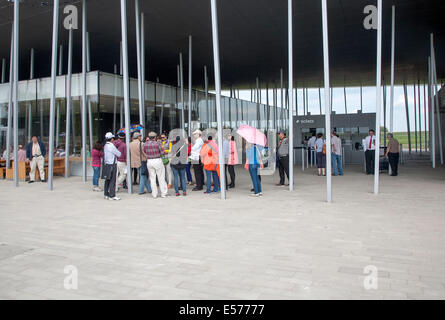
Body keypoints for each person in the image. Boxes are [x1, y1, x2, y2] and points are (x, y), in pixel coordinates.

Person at [145, 131, 168, 199]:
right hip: (157, 160)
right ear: (155, 137)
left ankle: (154, 194)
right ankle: (163, 193)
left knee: (152, 178)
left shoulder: (145, 144)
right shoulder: (158, 144)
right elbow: (162, 152)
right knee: (161, 177)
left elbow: (145, 151)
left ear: (149, 137)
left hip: (149, 161)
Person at [103, 132, 121, 200]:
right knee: (113, 180)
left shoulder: (105, 145)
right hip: (112, 165)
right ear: (111, 139)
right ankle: (112, 195)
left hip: (107, 164)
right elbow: (119, 154)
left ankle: (106, 194)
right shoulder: (111, 146)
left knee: (107, 179)